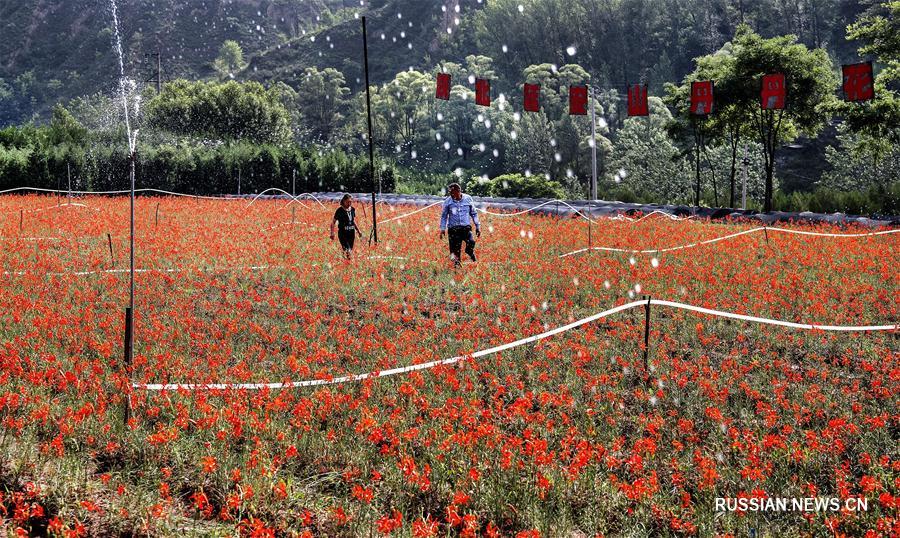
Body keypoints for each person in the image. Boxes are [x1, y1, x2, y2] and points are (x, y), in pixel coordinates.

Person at [439, 183, 480, 267]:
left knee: (471, 242)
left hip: (465, 228)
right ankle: (457, 270)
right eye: (450, 193)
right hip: (453, 229)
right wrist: (442, 229)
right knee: (455, 251)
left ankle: (469, 251)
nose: (451, 195)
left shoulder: (468, 199)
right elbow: (444, 216)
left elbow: (474, 213)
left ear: (459, 191)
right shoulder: (447, 202)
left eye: (453, 193)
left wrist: (477, 226)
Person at [330, 194, 363, 259]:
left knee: (349, 249)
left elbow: (353, 221)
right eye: (347, 202)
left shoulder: (353, 209)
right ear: (344, 201)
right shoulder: (339, 210)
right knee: (348, 250)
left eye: (350, 202)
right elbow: (333, 222)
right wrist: (332, 233)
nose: (349, 203)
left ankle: (344, 260)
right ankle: (349, 262)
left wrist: (358, 231)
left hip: (351, 233)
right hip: (343, 234)